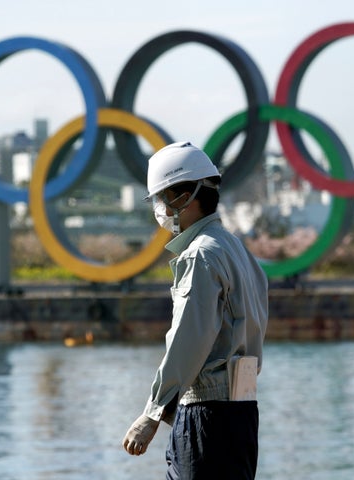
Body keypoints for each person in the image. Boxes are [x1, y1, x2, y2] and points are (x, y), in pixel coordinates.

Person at [122, 141, 269, 479]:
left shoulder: (200, 255)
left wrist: (152, 413)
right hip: (242, 412)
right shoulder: (235, 248)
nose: (159, 207)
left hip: (207, 415)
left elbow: (189, 338)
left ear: (182, 197)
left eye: (160, 197)